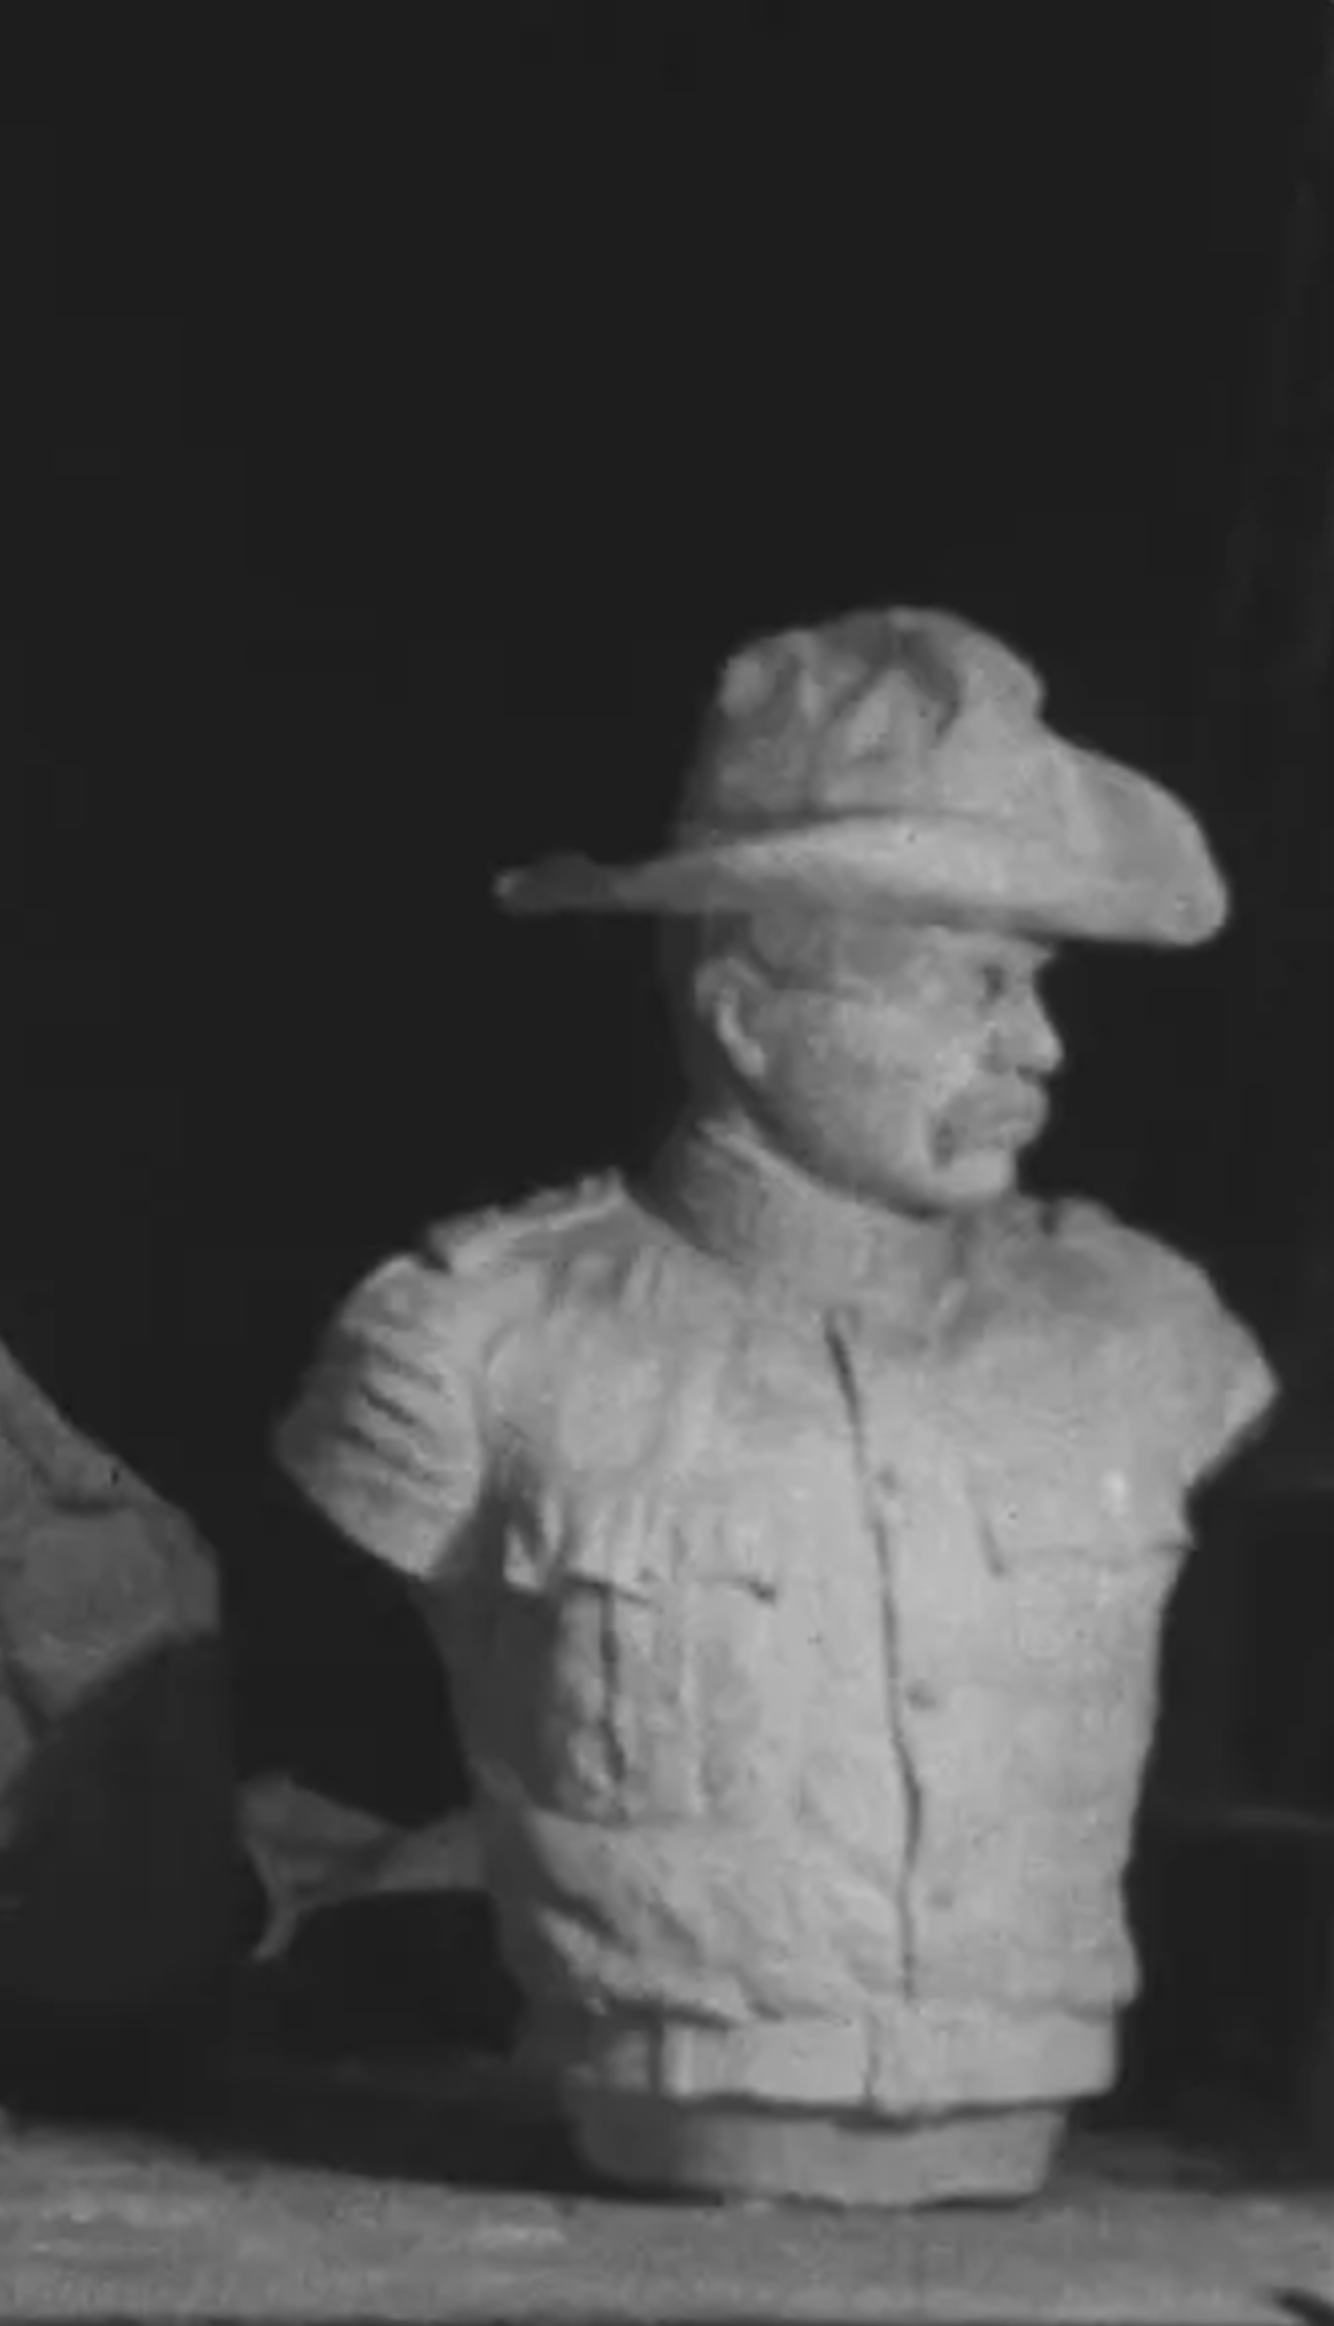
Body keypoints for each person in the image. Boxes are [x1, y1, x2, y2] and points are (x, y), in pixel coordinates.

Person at [277, 608, 1276, 2206]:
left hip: (1034, 2189)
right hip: (652, 2151)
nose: (1039, 1046)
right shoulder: (471, 1343)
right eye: (976, 985)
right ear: (748, 1015)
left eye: (1039, 984)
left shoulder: (1142, 1336)